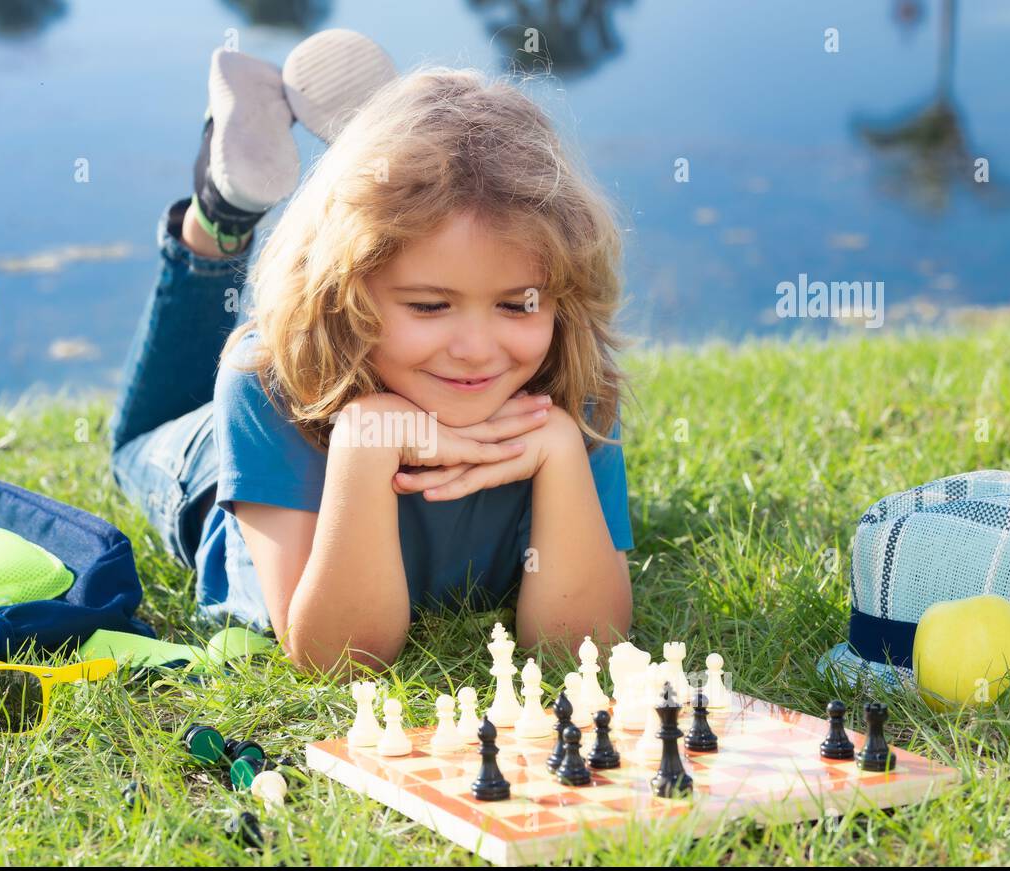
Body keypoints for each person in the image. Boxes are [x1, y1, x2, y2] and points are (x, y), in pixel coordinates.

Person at [111, 29, 633, 675]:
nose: (476, 350)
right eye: (429, 306)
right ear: (344, 295)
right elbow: (340, 661)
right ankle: (226, 206)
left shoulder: (571, 385)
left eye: (517, 304)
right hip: (217, 450)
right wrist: (363, 442)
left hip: (371, 314)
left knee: (437, 215)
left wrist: (558, 450)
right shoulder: (266, 388)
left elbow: (582, 653)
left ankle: (389, 160)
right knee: (135, 443)